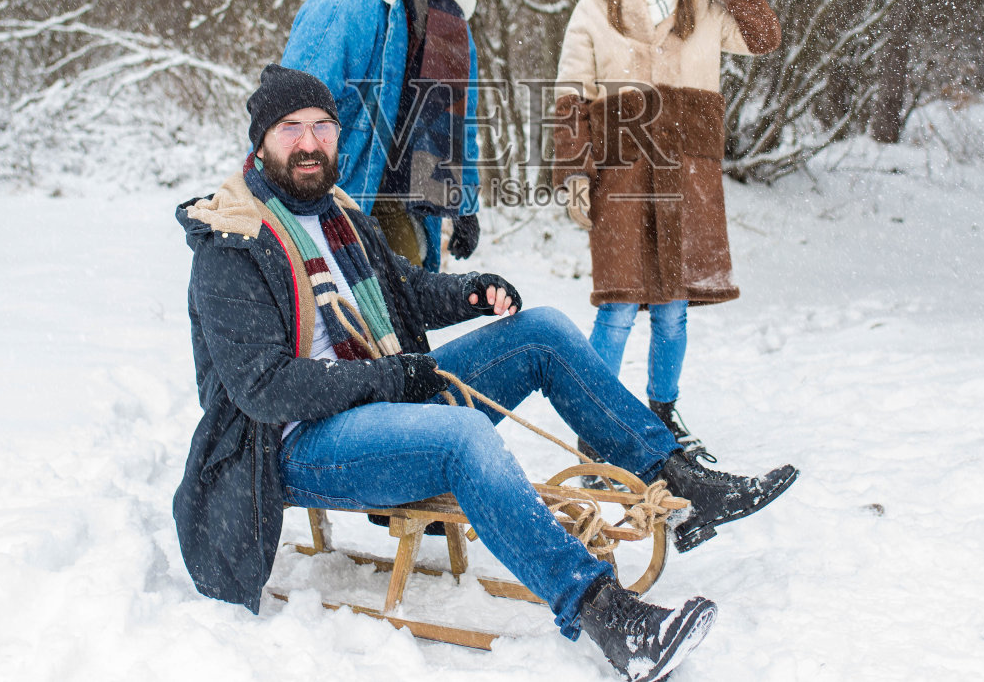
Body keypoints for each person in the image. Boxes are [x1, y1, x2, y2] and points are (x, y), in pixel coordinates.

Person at [173, 63, 798, 682]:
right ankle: (608, 615)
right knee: (462, 438)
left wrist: (470, 293)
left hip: (385, 396)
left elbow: (405, 291)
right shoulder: (233, 241)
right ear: (260, 140)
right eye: (290, 128)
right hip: (299, 444)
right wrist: (391, 380)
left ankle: (680, 484)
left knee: (543, 332)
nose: (309, 144)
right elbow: (264, 388)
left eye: (322, 125)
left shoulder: (338, 213)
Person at [552, 0, 782, 461]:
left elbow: (763, 37)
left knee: (674, 309)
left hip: (687, 172)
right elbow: (570, 95)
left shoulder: (704, 4)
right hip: (621, 170)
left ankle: (663, 416)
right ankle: (597, 424)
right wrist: (575, 174)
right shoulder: (592, 9)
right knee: (619, 306)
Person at [281, 0, 480, 271]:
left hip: (401, 195)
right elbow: (289, 104)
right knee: (344, 315)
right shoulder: (350, 4)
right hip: (341, 189)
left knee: (408, 298)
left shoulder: (453, 24)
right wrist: (287, 197)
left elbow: (459, 122)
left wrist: (465, 204)